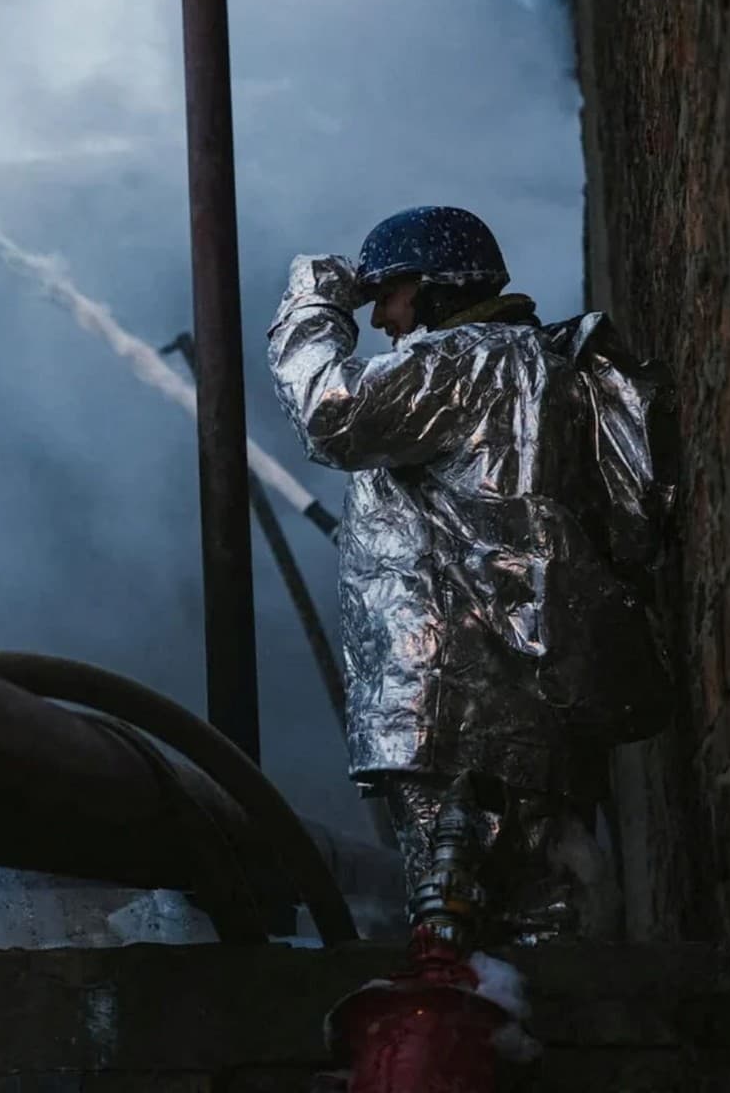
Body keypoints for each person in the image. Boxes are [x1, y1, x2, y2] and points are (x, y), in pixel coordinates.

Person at [266, 205, 676, 944]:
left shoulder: (465, 361)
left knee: (462, 934)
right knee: (545, 919)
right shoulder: (544, 366)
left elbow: (329, 414)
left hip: (452, 712)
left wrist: (316, 301)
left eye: (387, 294)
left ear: (431, 286)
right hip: (537, 704)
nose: (386, 319)